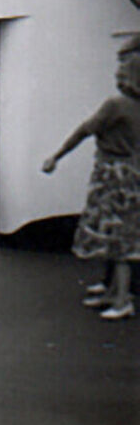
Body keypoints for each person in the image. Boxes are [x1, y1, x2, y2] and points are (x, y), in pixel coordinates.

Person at [42, 35, 140, 320]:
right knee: (121, 237)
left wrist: (56, 157)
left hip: (112, 177)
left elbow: (84, 131)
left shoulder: (115, 105)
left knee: (117, 242)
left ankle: (122, 301)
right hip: (132, 176)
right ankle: (113, 294)